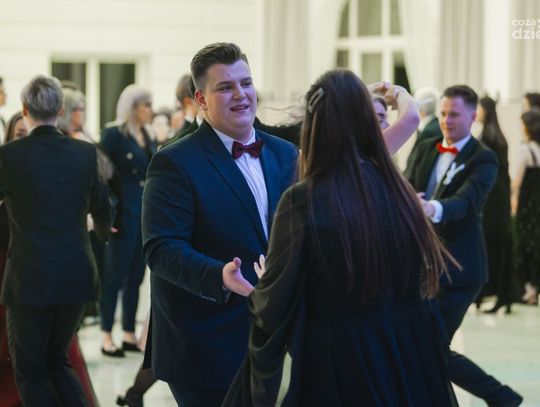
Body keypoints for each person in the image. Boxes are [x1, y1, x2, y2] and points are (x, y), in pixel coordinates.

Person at [222, 68, 457, 406]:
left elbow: (275, 303)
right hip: (406, 351)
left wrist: (259, 286)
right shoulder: (398, 190)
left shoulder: (303, 199)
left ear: (314, 127)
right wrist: (399, 94)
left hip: (342, 359)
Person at [141, 42, 299, 406]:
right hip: (203, 341)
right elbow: (161, 248)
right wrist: (218, 276)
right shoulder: (174, 162)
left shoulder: (285, 154)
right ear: (201, 100)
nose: (241, 94)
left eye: (246, 83)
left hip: (271, 339)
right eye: (226, 87)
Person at [406, 85, 523, 406]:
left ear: (473, 117)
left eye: (454, 115)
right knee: (425, 346)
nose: (446, 121)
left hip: (460, 270)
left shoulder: (483, 157)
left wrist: (430, 208)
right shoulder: (426, 146)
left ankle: (501, 396)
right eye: (443, 113)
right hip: (422, 266)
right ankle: (502, 398)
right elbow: (407, 183)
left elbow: (466, 201)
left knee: (430, 346)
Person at [0, 75, 111, 406]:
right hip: (76, 275)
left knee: (30, 371)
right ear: (61, 110)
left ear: (24, 110)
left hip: (29, 279)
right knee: (58, 361)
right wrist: (102, 235)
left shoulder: (9, 156)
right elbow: (103, 209)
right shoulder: (84, 153)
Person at [100, 84, 157, 357]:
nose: (150, 110)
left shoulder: (147, 135)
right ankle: (106, 333)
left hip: (144, 214)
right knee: (114, 275)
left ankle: (128, 332)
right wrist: (107, 211)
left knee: (136, 275)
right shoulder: (113, 134)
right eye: (146, 105)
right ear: (133, 107)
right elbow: (102, 175)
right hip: (121, 213)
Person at [474, 96, 514, 313]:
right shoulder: (499, 137)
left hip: (491, 199)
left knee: (487, 246)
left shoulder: (486, 139)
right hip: (500, 197)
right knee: (498, 245)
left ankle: (484, 294)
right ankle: (497, 295)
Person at [513, 109, 540, 306]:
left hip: (526, 206)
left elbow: (517, 181)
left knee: (524, 245)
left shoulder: (526, 150)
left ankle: (527, 290)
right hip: (537, 205)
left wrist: (512, 200)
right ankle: (534, 289)